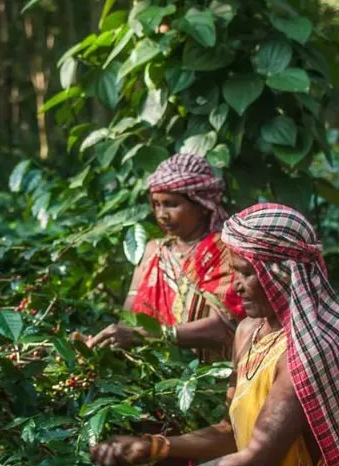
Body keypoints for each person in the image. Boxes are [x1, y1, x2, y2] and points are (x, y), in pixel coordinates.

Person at [89, 204, 339, 466]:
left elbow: (255, 462)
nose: (236, 287)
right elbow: (231, 433)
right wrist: (155, 447)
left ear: (283, 275)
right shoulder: (248, 332)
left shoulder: (307, 353)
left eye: (247, 273)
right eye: (234, 271)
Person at [85, 153, 244, 361]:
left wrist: (148, 336)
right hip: (150, 369)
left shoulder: (223, 251)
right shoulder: (153, 251)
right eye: (157, 204)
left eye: (171, 204)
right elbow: (128, 321)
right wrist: (100, 345)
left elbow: (221, 328)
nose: (162, 215)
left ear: (202, 205)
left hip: (207, 374)